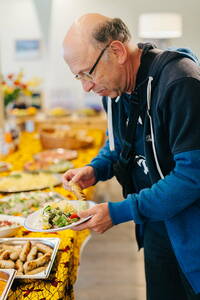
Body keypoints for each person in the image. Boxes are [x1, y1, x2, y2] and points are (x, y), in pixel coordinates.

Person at [62, 13, 200, 300]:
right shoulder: (113, 90)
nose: (86, 86)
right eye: (79, 77)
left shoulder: (181, 83)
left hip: (191, 231)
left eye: (88, 73)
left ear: (117, 51)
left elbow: (191, 177)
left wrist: (118, 211)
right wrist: (96, 169)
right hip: (154, 224)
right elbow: (118, 145)